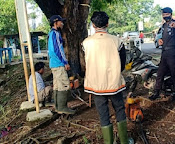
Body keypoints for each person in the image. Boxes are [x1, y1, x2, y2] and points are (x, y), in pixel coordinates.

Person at [82, 11, 132, 144]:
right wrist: (115, 72)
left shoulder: (86, 42)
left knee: (103, 113)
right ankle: (124, 141)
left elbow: (85, 62)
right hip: (114, 83)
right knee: (120, 109)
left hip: (96, 85)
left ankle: (109, 141)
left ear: (93, 25)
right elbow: (122, 61)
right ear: (107, 24)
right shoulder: (116, 41)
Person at [149, 7, 175, 101]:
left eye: (166, 14)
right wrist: (160, 41)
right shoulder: (163, 26)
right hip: (164, 53)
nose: (165, 16)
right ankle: (156, 92)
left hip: (172, 53)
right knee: (160, 74)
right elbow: (163, 37)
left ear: (170, 14)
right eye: (163, 14)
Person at [48, 15, 75, 115]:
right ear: (56, 23)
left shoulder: (50, 34)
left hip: (53, 64)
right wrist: (65, 62)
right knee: (64, 85)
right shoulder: (55, 34)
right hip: (58, 64)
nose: (62, 23)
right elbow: (58, 50)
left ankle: (58, 107)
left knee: (57, 86)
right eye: (61, 22)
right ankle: (62, 108)